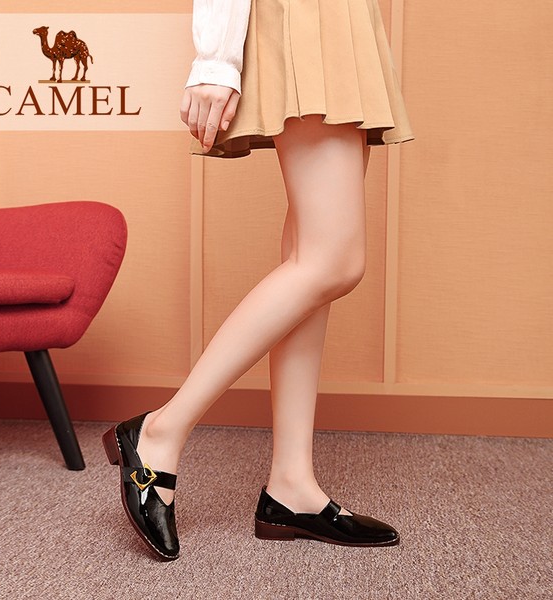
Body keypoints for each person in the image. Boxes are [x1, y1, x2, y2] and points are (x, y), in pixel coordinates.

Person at [103, 0, 414, 560]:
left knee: (310, 255)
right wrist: (215, 61)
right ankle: (159, 432)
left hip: (341, 20)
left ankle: (292, 485)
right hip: (306, 17)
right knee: (333, 261)